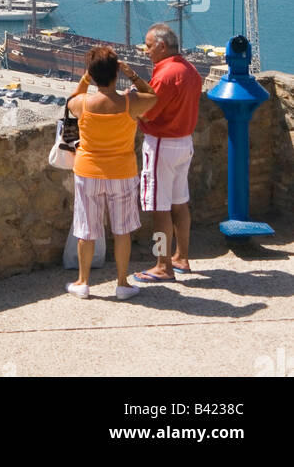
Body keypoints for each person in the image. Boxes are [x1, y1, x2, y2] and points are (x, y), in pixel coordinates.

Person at [66, 46, 159, 299]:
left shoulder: (82, 104)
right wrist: (133, 76)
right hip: (122, 172)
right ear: (116, 74)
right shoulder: (130, 103)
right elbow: (153, 96)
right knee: (122, 230)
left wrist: (86, 78)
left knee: (86, 229)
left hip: (88, 171)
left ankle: (83, 283)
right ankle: (121, 283)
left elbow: (72, 98)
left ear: (93, 75)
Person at [133, 22, 203, 283]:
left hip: (162, 144)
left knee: (159, 208)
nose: (146, 51)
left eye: (149, 46)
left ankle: (162, 265)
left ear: (162, 46)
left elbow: (148, 112)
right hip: (184, 142)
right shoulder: (190, 70)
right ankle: (181, 257)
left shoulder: (164, 75)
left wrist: (134, 105)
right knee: (179, 202)